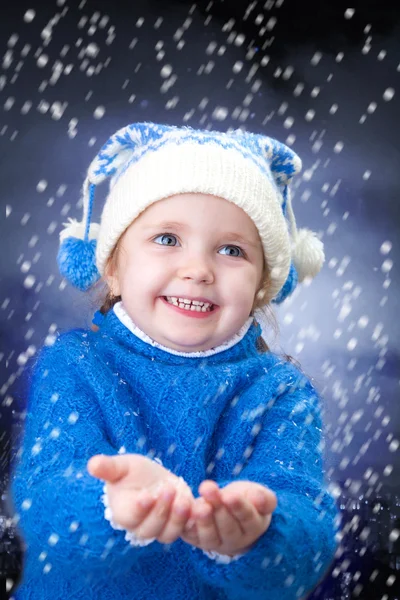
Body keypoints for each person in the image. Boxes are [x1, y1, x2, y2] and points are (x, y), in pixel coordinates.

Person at [10, 122, 340, 600]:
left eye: (231, 250)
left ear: (263, 286)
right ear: (113, 267)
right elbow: (43, 498)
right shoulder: (75, 365)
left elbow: (308, 527)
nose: (198, 270)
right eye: (167, 238)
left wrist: (261, 529)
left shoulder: (280, 392)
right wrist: (110, 505)